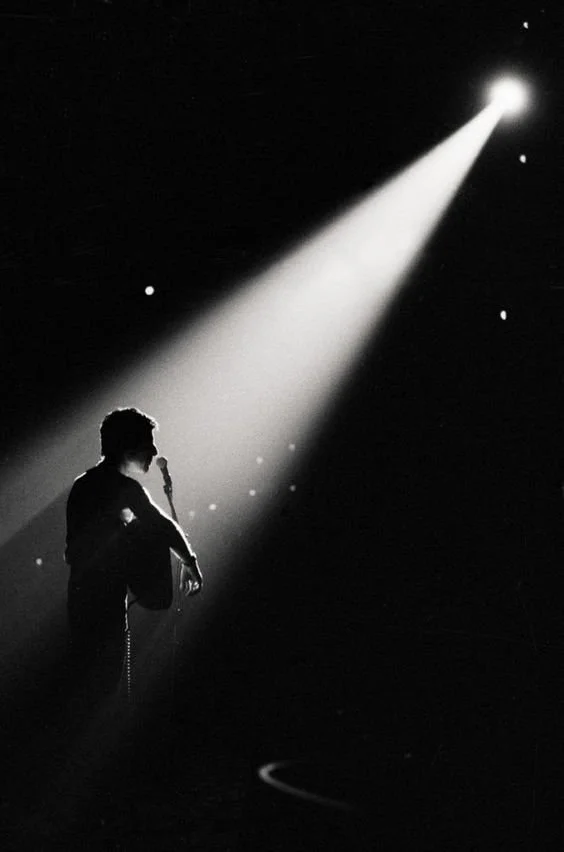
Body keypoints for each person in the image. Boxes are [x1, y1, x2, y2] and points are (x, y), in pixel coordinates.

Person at [65, 407, 202, 702]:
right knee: (103, 694)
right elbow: (162, 526)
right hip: (103, 610)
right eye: (147, 442)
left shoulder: (83, 485)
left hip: (83, 605)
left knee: (89, 692)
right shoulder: (121, 488)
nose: (153, 449)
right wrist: (190, 562)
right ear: (128, 444)